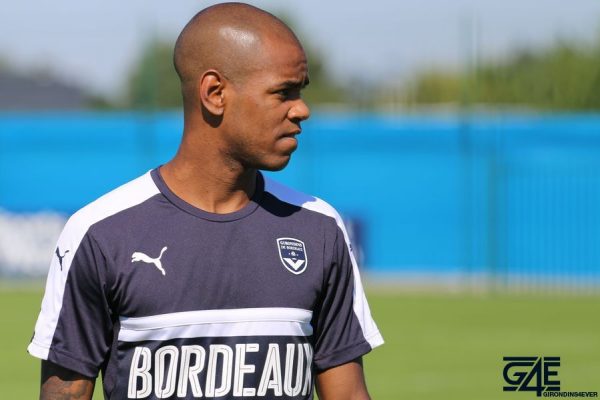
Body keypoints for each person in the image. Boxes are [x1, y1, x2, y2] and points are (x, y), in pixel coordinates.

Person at [28, 3, 383, 399]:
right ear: (215, 94)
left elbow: (348, 394)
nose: (302, 109)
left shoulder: (319, 228)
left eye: (300, 92)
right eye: (284, 92)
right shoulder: (100, 234)